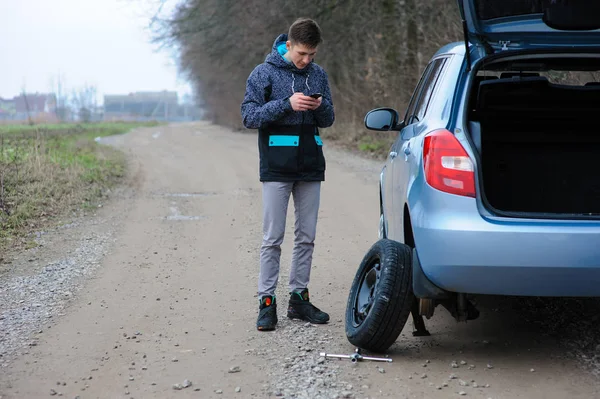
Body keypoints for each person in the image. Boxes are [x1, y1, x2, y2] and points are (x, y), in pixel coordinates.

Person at [241, 18, 335, 331]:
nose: (307, 60)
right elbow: (249, 116)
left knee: (306, 237)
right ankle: (266, 302)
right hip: (276, 167)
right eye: (303, 54)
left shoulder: (318, 74)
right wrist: (286, 104)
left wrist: (317, 106)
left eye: (313, 55)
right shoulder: (263, 73)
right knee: (272, 238)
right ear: (289, 45)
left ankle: (299, 300)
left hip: (311, 165)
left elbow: (329, 118)